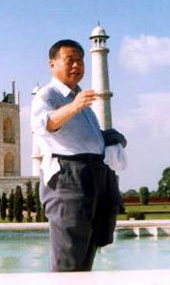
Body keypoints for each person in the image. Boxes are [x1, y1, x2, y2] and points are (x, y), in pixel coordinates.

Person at [31, 39, 126, 272]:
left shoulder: (81, 98)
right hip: (68, 178)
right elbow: (45, 124)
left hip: (94, 175)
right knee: (69, 257)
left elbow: (89, 140)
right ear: (52, 64)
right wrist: (74, 106)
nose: (77, 65)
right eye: (70, 60)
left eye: (80, 60)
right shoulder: (48, 95)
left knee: (88, 250)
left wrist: (112, 139)